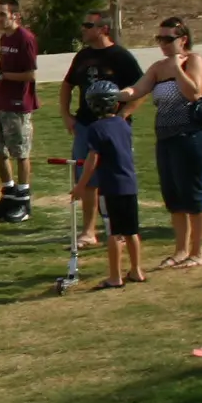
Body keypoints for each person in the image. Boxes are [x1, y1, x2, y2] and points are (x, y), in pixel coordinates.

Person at [123, 17, 202, 266]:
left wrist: (177, 69)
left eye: (168, 39)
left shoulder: (192, 61)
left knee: (193, 195)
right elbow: (138, 89)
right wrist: (115, 94)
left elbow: (194, 93)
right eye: (159, 39)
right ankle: (181, 251)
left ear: (183, 39)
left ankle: (199, 253)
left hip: (192, 136)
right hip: (166, 138)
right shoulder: (157, 67)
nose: (162, 44)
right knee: (174, 198)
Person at [60, 11, 145, 249]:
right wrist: (66, 115)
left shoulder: (120, 56)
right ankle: (88, 231)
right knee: (87, 179)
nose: (83, 29)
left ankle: (119, 230)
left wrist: (121, 117)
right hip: (85, 125)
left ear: (103, 29)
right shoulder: (83, 56)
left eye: (88, 25)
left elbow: (140, 89)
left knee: (116, 177)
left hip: (114, 129)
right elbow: (67, 85)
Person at [70, 81, 144, 286]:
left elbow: (92, 160)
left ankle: (115, 276)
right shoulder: (124, 124)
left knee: (114, 233)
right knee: (131, 231)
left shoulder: (95, 129)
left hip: (111, 187)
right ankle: (136, 270)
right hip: (130, 183)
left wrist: (80, 185)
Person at [0, 0, 39, 222]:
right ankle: (9, 195)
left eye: (2, 14)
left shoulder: (25, 38)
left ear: (16, 16)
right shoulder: (5, 38)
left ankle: (23, 199)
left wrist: (1, 75)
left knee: (20, 152)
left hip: (18, 104)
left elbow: (30, 74)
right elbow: (6, 70)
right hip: (0, 101)